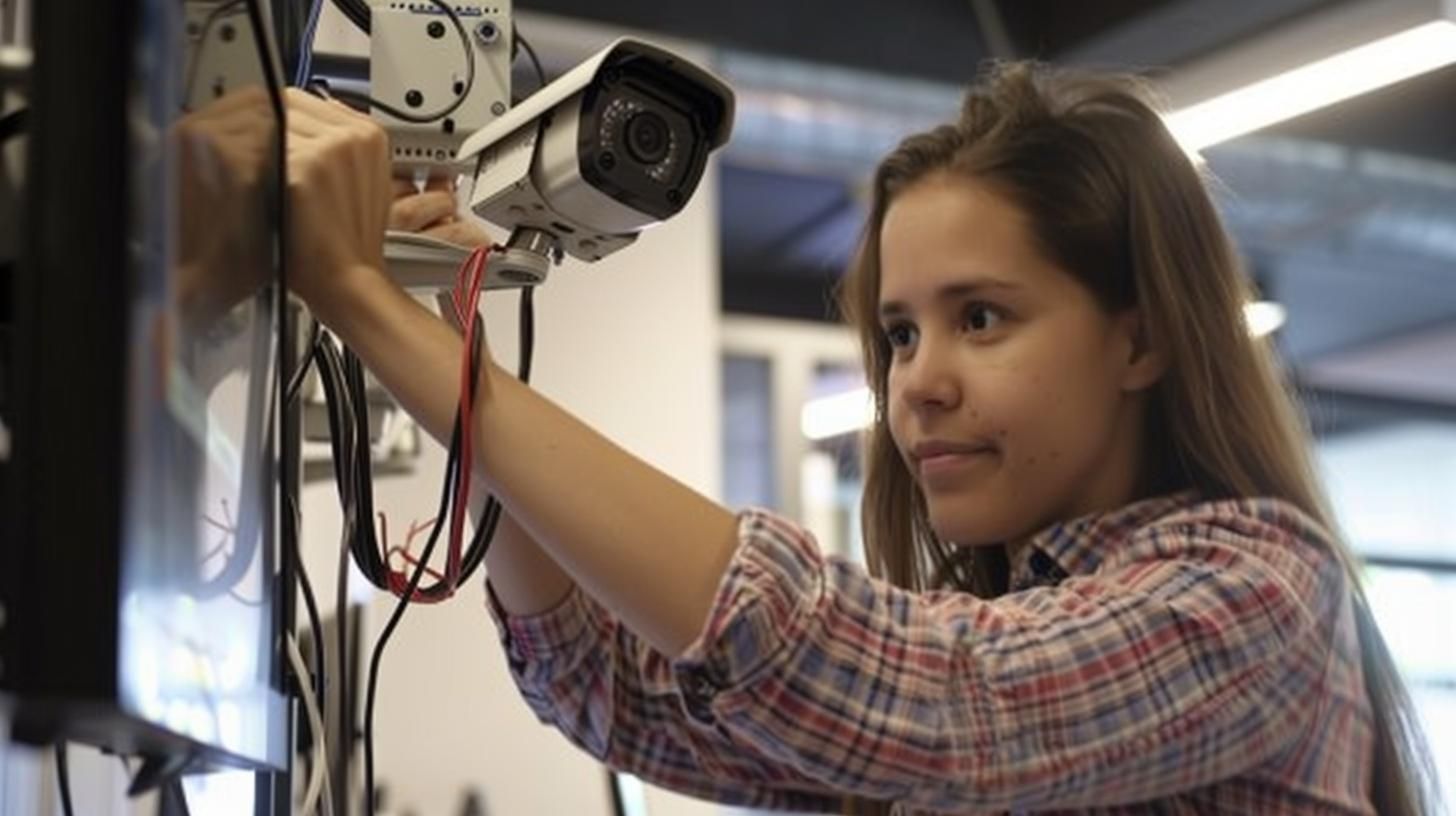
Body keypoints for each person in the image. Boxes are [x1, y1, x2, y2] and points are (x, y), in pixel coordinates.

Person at [282, 61, 1439, 815]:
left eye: (979, 319)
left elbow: (926, 698)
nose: (916, 384)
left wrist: (369, 309)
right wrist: (451, 335)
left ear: (1137, 342)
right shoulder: (1000, 621)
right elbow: (612, 692)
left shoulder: (1258, 591)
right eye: (897, 333)